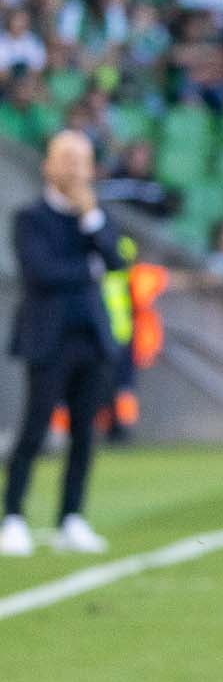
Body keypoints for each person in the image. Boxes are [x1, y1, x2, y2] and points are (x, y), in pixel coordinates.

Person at [3, 131, 126, 557]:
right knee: (33, 431)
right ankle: (13, 516)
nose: (74, 168)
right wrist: (87, 267)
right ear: (48, 165)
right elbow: (41, 273)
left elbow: (116, 262)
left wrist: (91, 221)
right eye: (66, 158)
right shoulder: (30, 217)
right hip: (48, 339)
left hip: (91, 338)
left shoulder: (96, 217)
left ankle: (70, 517)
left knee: (84, 434)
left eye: (82, 160)